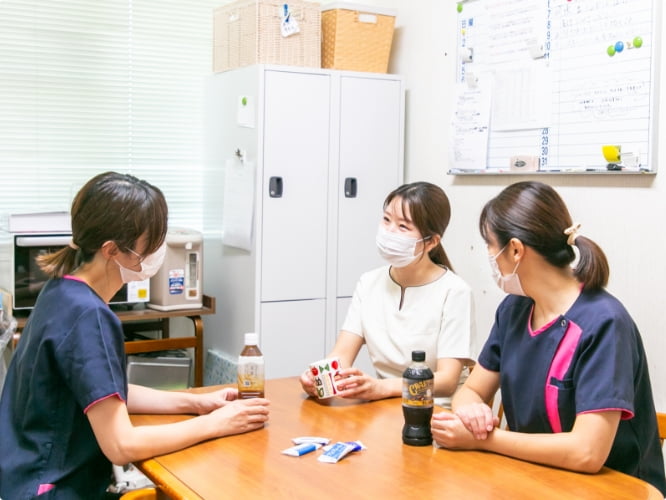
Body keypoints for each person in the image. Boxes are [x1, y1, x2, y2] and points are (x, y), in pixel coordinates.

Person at [0, 172, 270, 499]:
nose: (158, 250)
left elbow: (106, 392)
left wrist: (197, 403)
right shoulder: (90, 316)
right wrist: (218, 424)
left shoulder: (59, 291)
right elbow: (120, 445)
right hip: (53, 490)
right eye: (151, 243)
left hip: (20, 477)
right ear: (112, 250)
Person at [431, 181, 666, 496]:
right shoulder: (514, 309)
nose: (488, 254)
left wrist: (485, 440)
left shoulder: (605, 324)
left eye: (489, 244)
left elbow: (587, 452)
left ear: (515, 249)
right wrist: (472, 409)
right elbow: (471, 390)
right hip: (533, 477)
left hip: (613, 489)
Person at [300, 181, 476, 405]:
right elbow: (341, 357)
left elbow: (447, 381)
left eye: (403, 227)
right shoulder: (369, 282)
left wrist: (382, 387)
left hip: (436, 411)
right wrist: (318, 378)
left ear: (431, 242)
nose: (390, 231)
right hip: (383, 407)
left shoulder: (454, 292)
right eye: (386, 219)